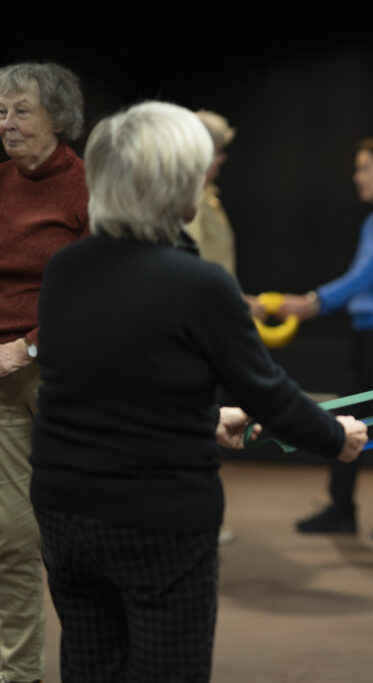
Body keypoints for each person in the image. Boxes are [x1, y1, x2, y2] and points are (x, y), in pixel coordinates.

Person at [29, 101, 368, 681]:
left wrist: (204, 419)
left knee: (90, 669)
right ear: (175, 185)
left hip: (64, 509)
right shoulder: (200, 282)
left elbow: (103, 381)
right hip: (157, 518)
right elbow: (270, 395)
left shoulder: (66, 268)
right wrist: (335, 436)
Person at [276, 138, 373, 541]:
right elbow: (360, 278)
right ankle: (342, 508)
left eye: (365, 167)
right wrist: (315, 302)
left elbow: (364, 278)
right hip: (368, 333)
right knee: (347, 420)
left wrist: (313, 302)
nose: (357, 176)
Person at [0, 61, 89, 683]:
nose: (7, 123)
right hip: (0, 377)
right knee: (8, 536)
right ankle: (18, 674)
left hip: (64, 376)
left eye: (21, 110)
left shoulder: (88, 187)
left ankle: (91, 664)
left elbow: (93, 293)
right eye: (1, 111)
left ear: (58, 118)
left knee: (73, 536)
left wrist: (29, 347)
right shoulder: (0, 184)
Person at [184, 109, 237, 276]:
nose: (223, 158)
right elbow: (189, 262)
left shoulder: (208, 196)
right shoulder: (188, 201)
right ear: (197, 154)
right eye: (217, 152)